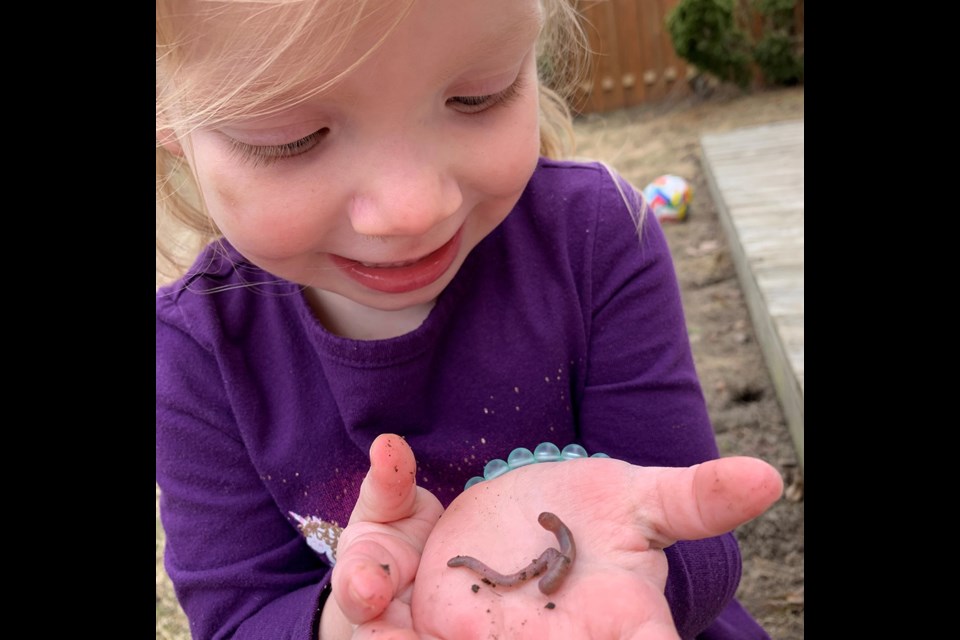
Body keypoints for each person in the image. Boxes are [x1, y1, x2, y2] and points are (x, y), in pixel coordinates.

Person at [155, 1, 784, 639]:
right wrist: (341, 625)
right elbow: (238, 616)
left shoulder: (598, 237)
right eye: (290, 138)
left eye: (478, 97)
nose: (412, 210)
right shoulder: (192, 352)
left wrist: (638, 571)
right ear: (171, 123)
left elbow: (696, 529)